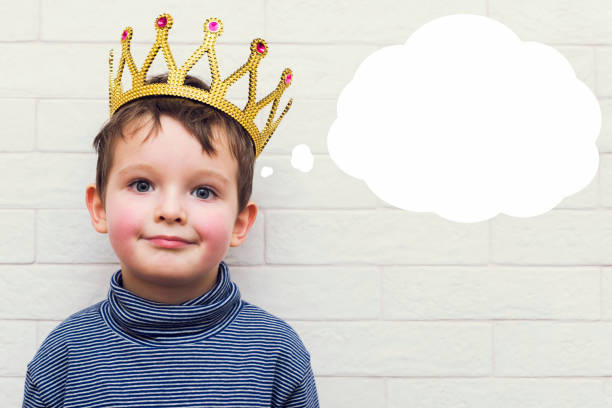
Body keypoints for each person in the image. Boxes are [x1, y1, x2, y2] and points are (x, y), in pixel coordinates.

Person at [22, 13, 318, 408]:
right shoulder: (65, 354)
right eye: (142, 185)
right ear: (99, 208)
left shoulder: (276, 353)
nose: (171, 211)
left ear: (240, 223)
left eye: (204, 191)